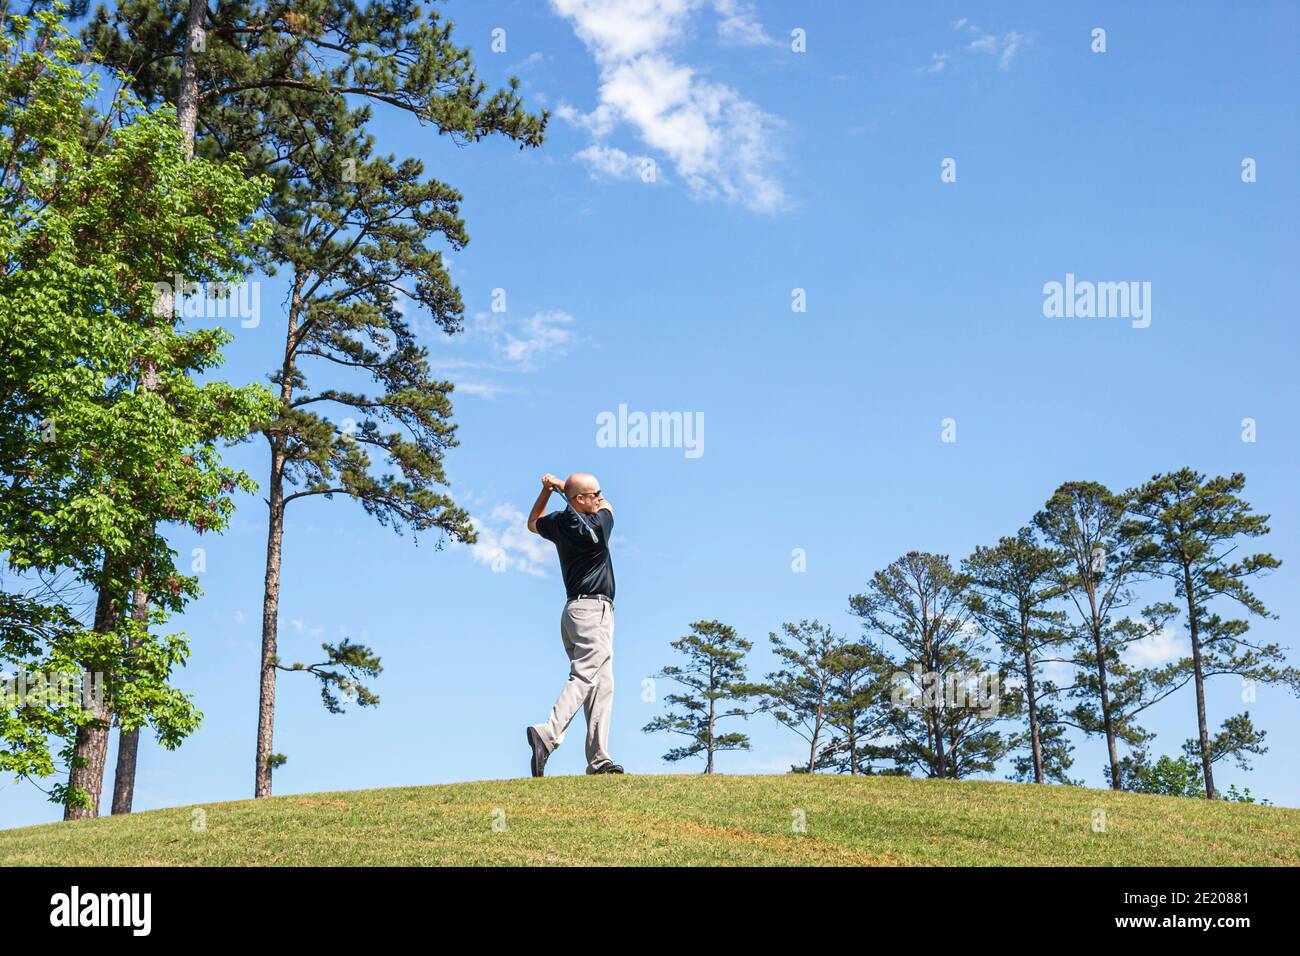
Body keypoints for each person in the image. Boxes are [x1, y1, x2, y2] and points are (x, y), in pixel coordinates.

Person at [524, 472, 624, 776]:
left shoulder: (560, 522)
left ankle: (599, 760)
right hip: (593, 612)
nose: (599, 497)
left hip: (573, 613)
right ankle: (548, 733)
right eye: (594, 493)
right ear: (580, 500)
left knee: (602, 684)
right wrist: (561, 489)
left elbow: (532, 523)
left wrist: (547, 490)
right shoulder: (597, 525)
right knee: (584, 677)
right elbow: (610, 507)